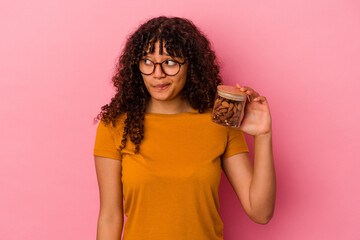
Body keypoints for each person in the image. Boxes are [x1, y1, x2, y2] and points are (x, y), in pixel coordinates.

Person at [93, 16, 275, 240]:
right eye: (147, 62)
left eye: (170, 62)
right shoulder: (115, 125)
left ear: (191, 65)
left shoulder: (220, 122)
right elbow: (110, 217)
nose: (157, 74)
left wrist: (263, 136)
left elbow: (261, 212)